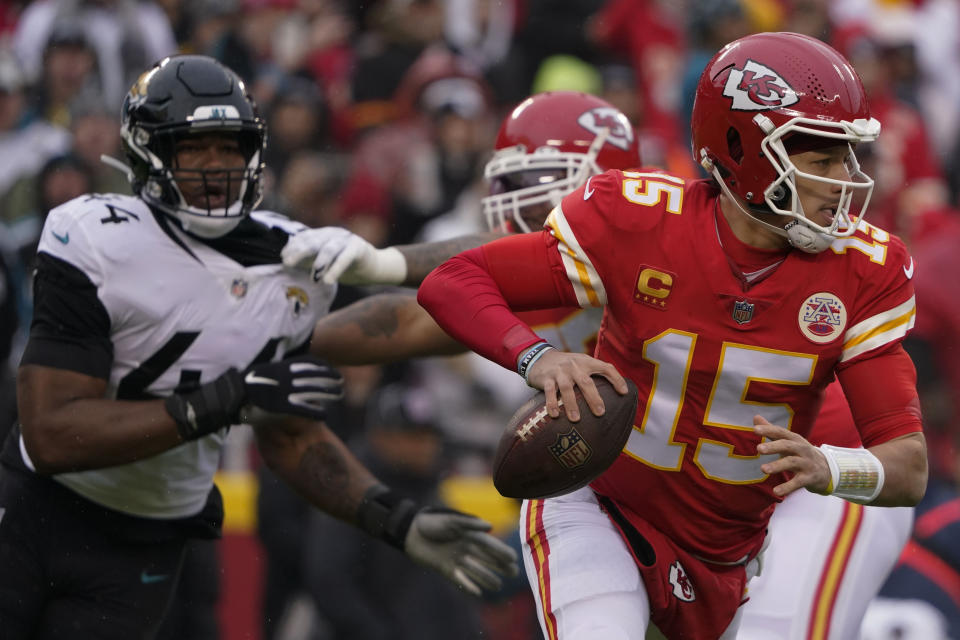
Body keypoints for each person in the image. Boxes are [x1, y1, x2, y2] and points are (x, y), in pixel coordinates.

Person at [295, 89, 919, 639]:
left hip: (794, 478)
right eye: (512, 185)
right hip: (628, 500)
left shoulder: (681, 235)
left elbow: (904, 458)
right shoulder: (601, 245)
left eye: (542, 182)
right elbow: (443, 295)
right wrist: (282, 334)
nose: (519, 203)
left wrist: (387, 261)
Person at [0, 54, 517, 640]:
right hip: (38, 513)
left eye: (231, 147)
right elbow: (50, 433)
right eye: (194, 149)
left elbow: (291, 433)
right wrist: (227, 399)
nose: (217, 167)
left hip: (147, 541)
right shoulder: (94, 235)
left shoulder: (291, 261)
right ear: (149, 152)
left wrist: (397, 522)